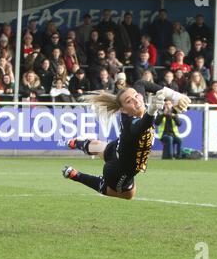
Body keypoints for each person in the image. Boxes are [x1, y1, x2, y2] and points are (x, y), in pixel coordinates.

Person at [62, 86, 190, 200]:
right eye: (129, 101)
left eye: (136, 95)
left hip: (117, 149)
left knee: (100, 147)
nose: (136, 100)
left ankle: (77, 143)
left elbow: (141, 83)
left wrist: (172, 94)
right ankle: (75, 175)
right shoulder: (130, 123)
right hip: (118, 171)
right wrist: (152, 110)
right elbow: (141, 126)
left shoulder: (135, 106)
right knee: (128, 194)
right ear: (123, 110)